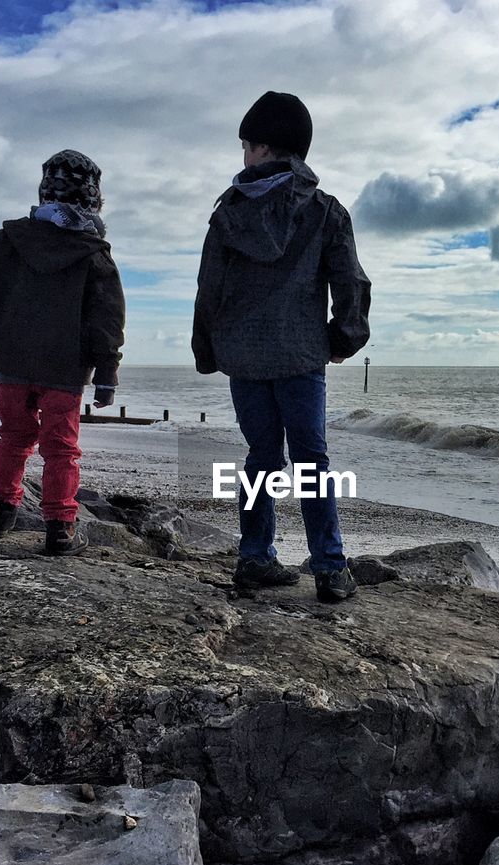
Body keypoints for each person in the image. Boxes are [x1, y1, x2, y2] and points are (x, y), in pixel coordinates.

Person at [193, 91, 371, 602]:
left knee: (261, 456)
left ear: (265, 149)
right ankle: (331, 568)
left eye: (248, 146)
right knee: (313, 458)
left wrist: (208, 349)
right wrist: (344, 337)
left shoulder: (228, 213)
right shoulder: (324, 211)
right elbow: (350, 283)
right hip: (299, 353)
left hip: (244, 356)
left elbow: (210, 289)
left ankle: (255, 557)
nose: (244, 156)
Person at [0, 149, 125, 556]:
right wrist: (106, 374)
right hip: (65, 368)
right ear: (93, 198)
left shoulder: (5, 241)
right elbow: (107, 319)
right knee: (61, 447)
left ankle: (0, 512)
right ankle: (60, 527)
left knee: (13, 436)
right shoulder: (93, 252)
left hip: (10, 362)